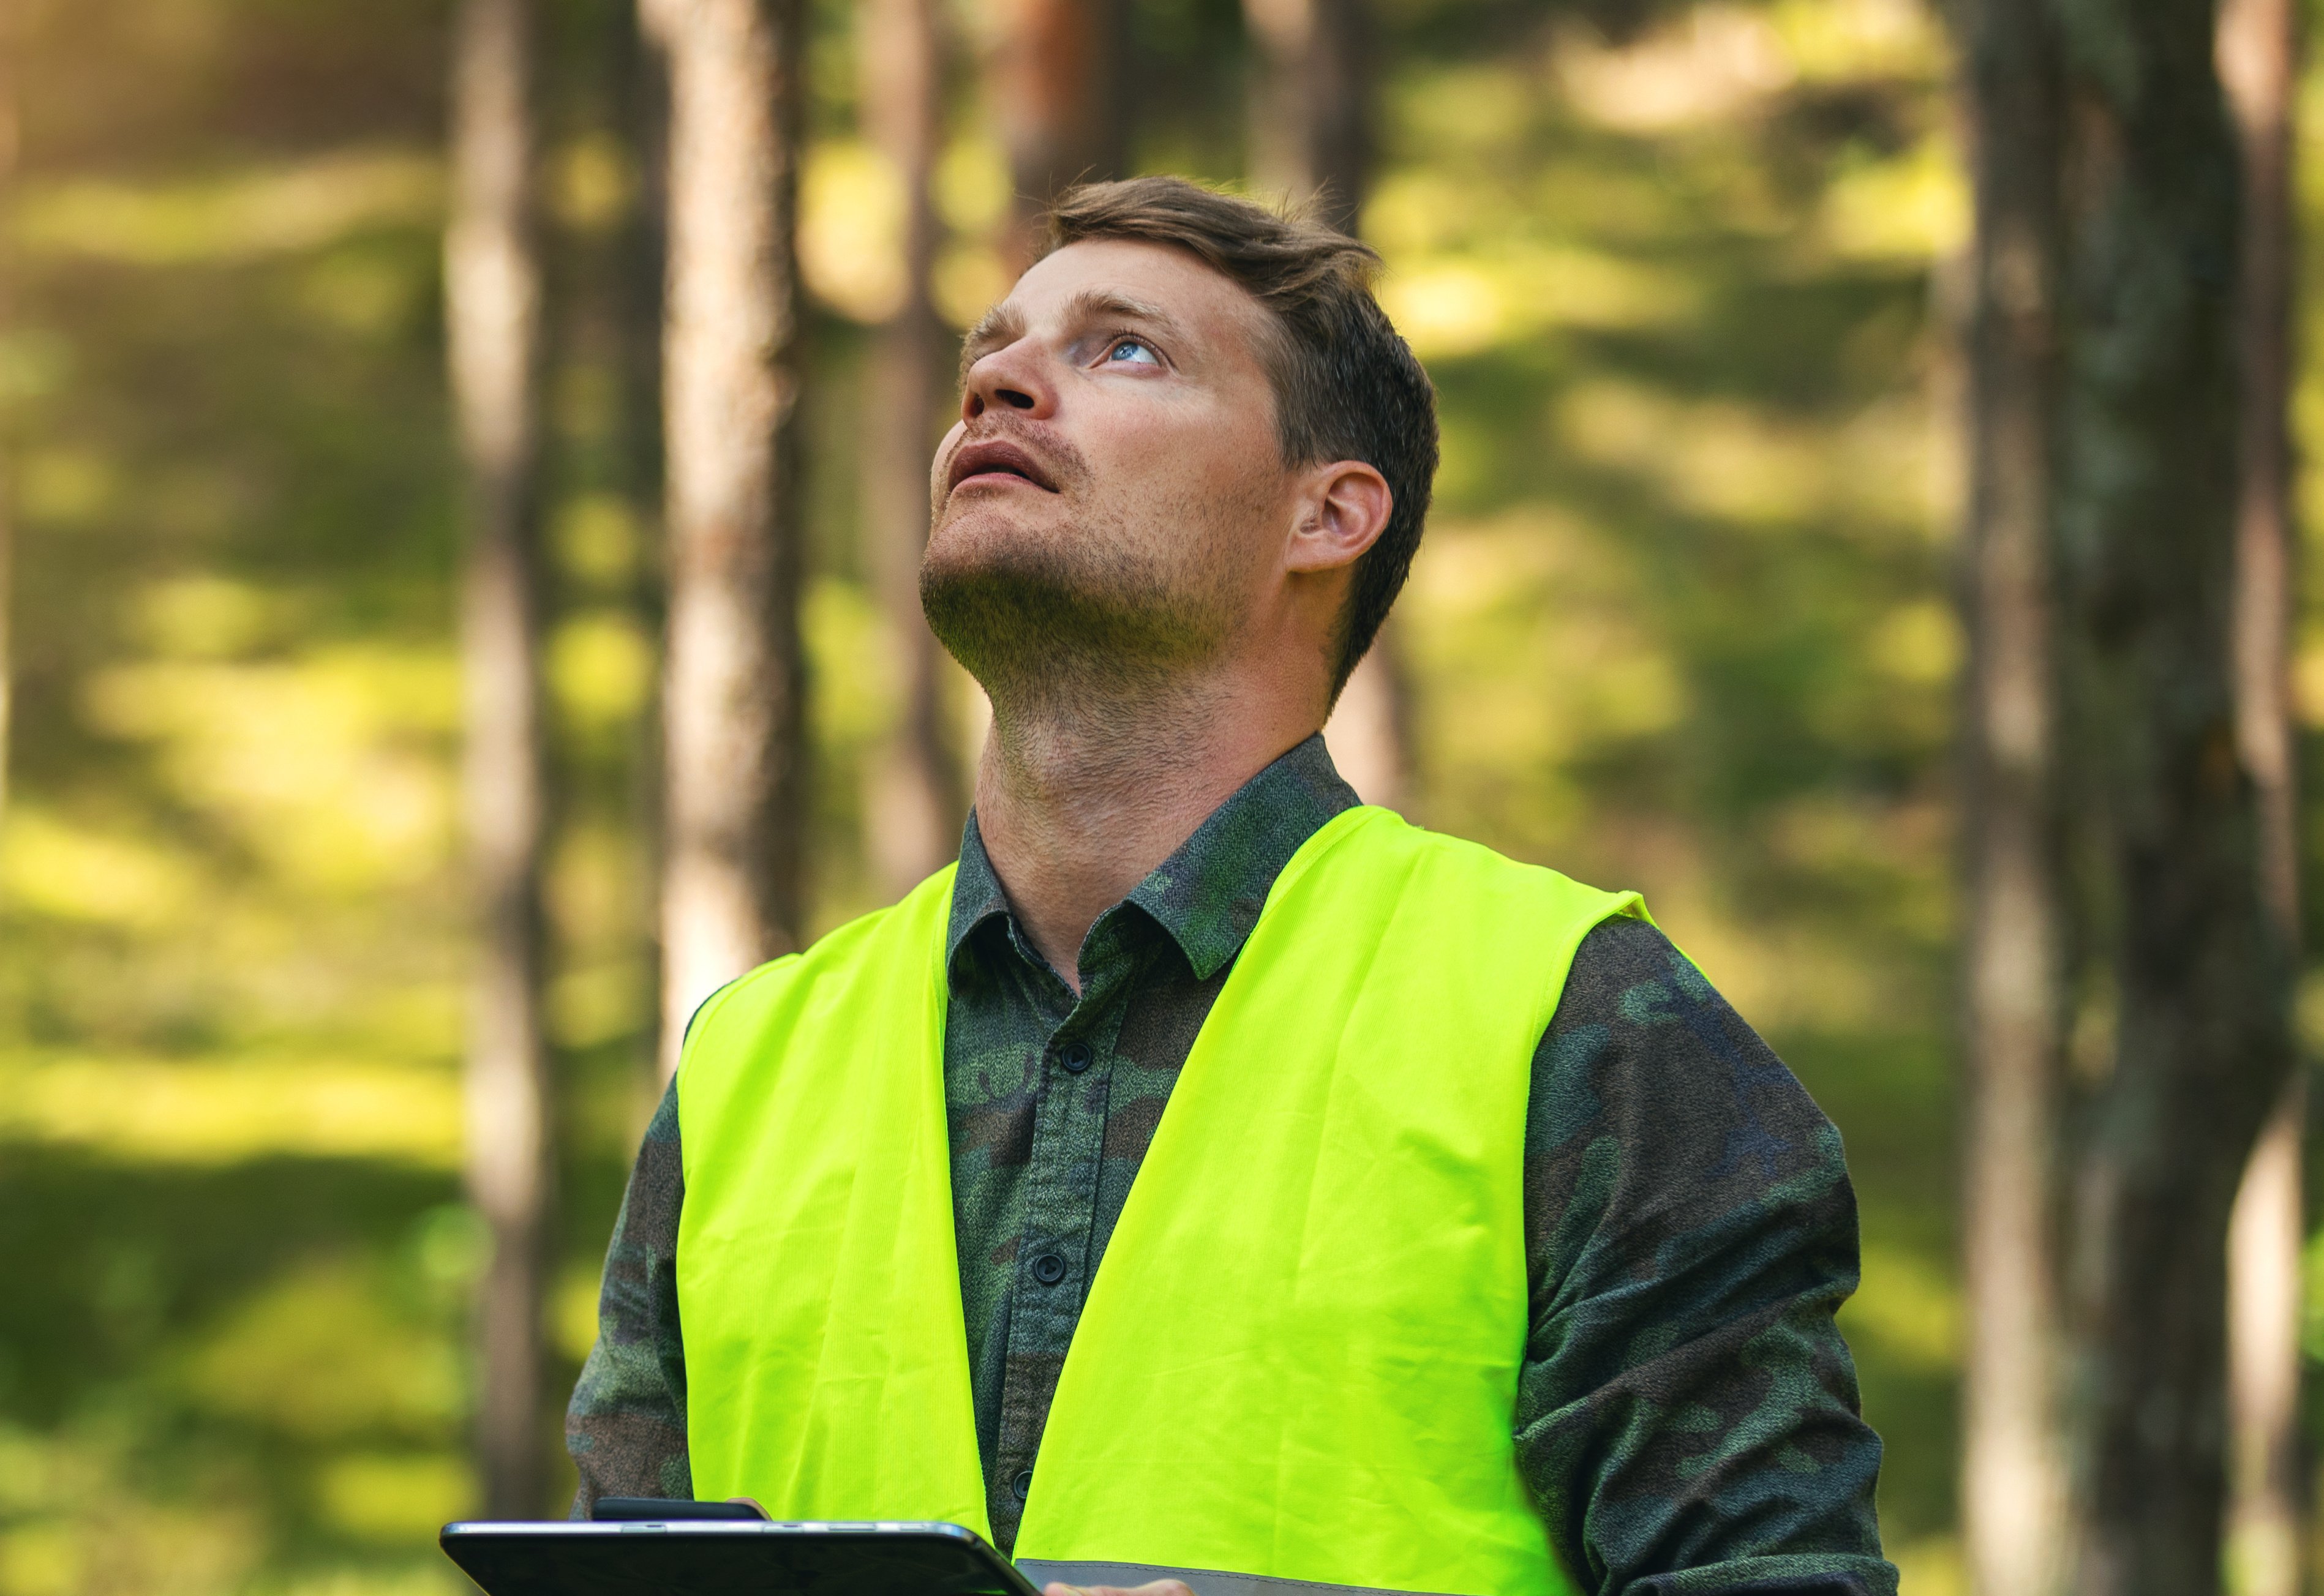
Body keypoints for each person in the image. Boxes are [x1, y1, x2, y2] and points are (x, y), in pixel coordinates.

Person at [563, 176, 1893, 1596]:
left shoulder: (1579, 1021)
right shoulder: (744, 1067)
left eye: (1121, 349)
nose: (1000, 383)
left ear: (1323, 515)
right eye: (991, 353)